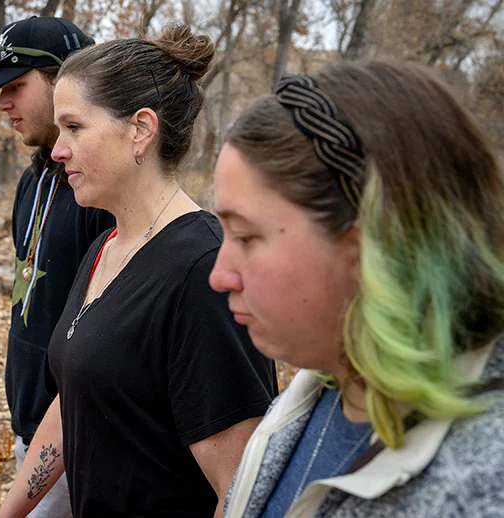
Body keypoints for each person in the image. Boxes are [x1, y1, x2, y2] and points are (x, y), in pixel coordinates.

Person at [0, 24, 278, 517]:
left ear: (141, 130)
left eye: (75, 128)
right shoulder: (106, 246)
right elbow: (74, 399)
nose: (58, 151)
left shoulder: (203, 271)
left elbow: (239, 488)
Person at [209, 59, 504, 517]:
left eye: (246, 237)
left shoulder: (481, 483)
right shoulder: (312, 396)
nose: (219, 275)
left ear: (377, 243)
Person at [0, 16, 115, 517]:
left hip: (84, 442)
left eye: (14, 87)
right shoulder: (32, 184)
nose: (2, 103)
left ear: (63, 81)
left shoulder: (102, 197)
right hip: (31, 429)